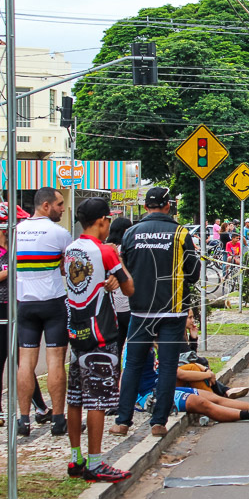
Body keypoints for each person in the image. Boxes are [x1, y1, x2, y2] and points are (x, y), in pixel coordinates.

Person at [112, 187, 200, 438]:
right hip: (172, 311)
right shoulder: (181, 233)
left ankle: (122, 421)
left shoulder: (130, 233)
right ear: (167, 206)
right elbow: (193, 274)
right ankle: (158, 422)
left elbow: (122, 271)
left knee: (133, 365)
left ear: (146, 206)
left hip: (139, 311)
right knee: (168, 366)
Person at [64, 198, 135, 482]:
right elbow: (129, 288)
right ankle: (95, 463)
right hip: (101, 332)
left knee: (76, 397)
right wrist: (117, 278)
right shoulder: (105, 250)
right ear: (103, 221)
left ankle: (75, 458)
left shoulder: (70, 249)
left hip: (76, 329)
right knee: (98, 398)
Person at [15, 187, 72, 437]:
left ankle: (24, 420)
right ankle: (58, 420)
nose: (62, 209)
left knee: (25, 363)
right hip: (52, 302)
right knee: (55, 361)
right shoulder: (60, 233)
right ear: (46, 206)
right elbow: (69, 268)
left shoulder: (16, 231)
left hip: (25, 303)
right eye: (59, 205)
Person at [0, 202, 50, 429]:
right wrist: (12, 268)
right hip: (2, 309)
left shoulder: (18, 248)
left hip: (20, 305)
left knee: (24, 361)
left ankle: (40, 408)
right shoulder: (7, 253)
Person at [106, 217, 134, 358]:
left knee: (116, 346)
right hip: (127, 303)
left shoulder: (106, 249)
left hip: (112, 307)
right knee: (134, 346)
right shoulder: (126, 249)